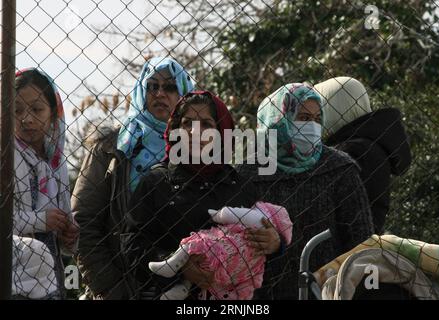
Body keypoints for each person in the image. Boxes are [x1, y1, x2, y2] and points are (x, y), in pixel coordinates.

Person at [122, 91, 282, 299]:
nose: (196, 132)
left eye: (206, 124)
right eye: (188, 123)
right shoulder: (155, 183)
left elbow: (259, 252)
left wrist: (274, 245)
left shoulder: (240, 186)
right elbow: (131, 243)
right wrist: (180, 267)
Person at [72, 57, 195, 299]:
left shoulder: (198, 149)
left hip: (184, 287)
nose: (160, 93)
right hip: (120, 283)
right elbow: (84, 221)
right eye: (152, 86)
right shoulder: (111, 147)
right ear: (141, 90)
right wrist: (111, 287)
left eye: (170, 87)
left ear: (184, 94)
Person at [237, 83, 374, 299]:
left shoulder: (339, 169)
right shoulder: (248, 173)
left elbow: (361, 241)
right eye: (302, 117)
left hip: (327, 292)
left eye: (317, 119)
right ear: (277, 120)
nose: (311, 126)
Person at [315, 77, 411, 234]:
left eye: (319, 113)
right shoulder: (367, 145)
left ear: (334, 108)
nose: (315, 121)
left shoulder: (355, 150)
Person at [14, 68, 79, 299]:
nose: (26, 118)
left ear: (53, 113)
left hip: (50, 265)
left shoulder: (55, 161)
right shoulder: (6, 156)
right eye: (17, 110)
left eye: (37, 109)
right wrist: (41, 220)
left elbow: (62, 213)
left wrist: (67, 233)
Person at [148, 202, 292, 300]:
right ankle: (175, 270)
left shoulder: (241, 183)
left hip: (223, 263)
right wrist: (183, 269)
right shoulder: (156, 180)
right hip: (215, 256)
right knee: (197, 245)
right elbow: (132, 241)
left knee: (196, 244)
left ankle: (176, 272)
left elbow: (231, 214)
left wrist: (277, 246)